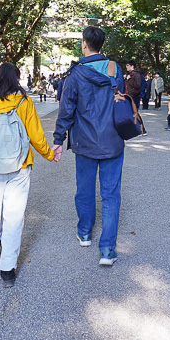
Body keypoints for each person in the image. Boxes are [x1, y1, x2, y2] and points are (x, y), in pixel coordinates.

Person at [0, 62, 56, 287]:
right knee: (14, 216)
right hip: (19, 165)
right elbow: (36, 135)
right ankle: (7, 270)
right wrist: (49, 154)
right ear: (17, 78)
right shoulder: (24, 102)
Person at [52, 26, 126, 267]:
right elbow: (119, 100)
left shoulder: (75, 74)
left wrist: (58, 139)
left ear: (84, 44)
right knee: (111, 194)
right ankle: (107, 250)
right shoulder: (115, 69)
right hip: (112, 140)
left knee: (84, 189)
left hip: (84, 141)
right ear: (101, 45)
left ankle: (84, 232)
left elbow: (67, 108)